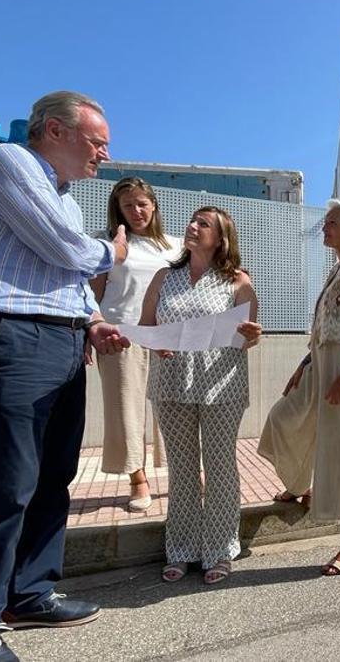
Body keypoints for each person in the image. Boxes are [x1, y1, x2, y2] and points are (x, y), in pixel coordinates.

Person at [0, 91, 131, 662]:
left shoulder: (68, 197)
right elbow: (66, 248)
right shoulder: (5, 162)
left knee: (54, 475)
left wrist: (94, 321)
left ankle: (31, 593)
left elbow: (68, 278)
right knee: (6, 483)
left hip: (63, 339)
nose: (104, 153)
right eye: (97, 141)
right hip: (11, 331)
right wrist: (114, 249)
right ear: (54, 130)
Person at [138, 206, 262, 585]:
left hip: (221, 385)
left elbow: (248, 336)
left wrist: (252, 336)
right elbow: (145, 327)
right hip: (171, 384)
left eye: (202, 224)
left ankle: (221, 551)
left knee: (221, 467)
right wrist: (153, 342)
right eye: (192, 221)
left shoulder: (238, 281)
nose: (192, 227)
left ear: (221, 238)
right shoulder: (164, 277)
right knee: (183, 469)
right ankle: (181, 549)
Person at [258, 199, 340, 576]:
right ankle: (300, 484)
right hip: (322, 359)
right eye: (325, 223)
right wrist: (305, 364)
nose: (324, 229)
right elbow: (324, 326)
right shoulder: (338, 267)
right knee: (285, 416)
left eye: (331, 223)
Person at [89, 177, 181, 511]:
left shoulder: (175, 246)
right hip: (120, 334)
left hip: (166, 336)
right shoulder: (108, 244)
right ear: (118, 210)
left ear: (154, 205)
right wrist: (90, 330)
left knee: (175, 407)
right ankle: (137, 479)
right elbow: (92, 294)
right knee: (125, 410)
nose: (136, 211)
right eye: (128, 205)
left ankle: (183, 473)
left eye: (142, 203)